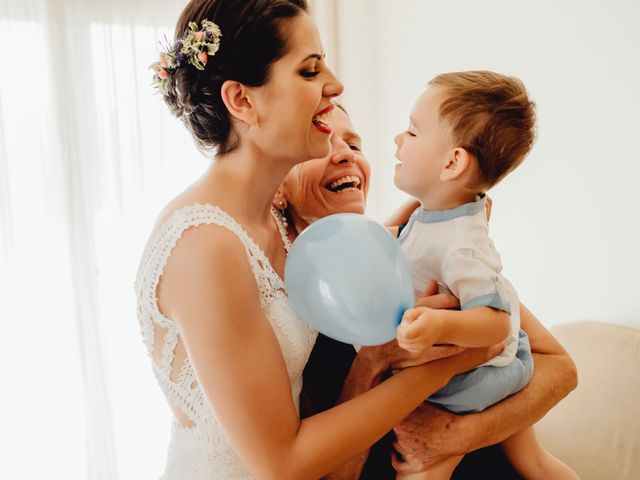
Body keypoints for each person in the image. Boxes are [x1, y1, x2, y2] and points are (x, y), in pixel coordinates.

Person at [135, 2, 498, 479]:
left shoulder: (277, 223)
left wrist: (443, 217)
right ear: (242, 101)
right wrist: (444, 363)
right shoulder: (205, 245)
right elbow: (280, 462)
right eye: (310, 69)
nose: (335, 83)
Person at [274, 104, 578, 478]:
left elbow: (560, 369)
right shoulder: (284, 318)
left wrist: (461, 434)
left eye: (354, 144)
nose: (344, 155)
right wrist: (372, 362)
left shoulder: (421, 248)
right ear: (277, 190)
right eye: (319, 146)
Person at [389, 71, 579, 479]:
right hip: (491, 366)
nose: (397, 140)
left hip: (477, 377)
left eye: (411, 131)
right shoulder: (435, 214)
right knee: (534, 462)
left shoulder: (462, 245)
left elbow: (494, 324)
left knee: (420, 472)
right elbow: (404, 244)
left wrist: (439, 322)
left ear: (453, 162)